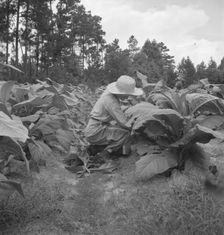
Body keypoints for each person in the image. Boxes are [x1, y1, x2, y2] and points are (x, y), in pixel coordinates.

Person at [84, 75, 143, 160]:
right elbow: (125, 123)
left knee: (117, 130)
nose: (129, 96)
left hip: (95, 127)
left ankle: (96, 148)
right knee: (126, 134)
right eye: (128, 94)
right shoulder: (112, 101)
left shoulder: (109, 94)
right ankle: (104, 154)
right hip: (95, 131)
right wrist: (139, 127)